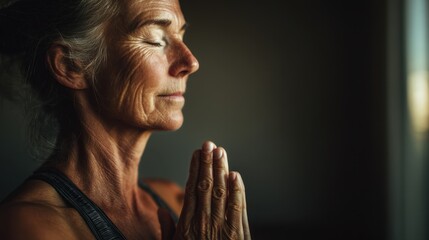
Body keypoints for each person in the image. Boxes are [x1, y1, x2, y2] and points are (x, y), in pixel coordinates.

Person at [0, 0, 251, 239]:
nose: (191, 62)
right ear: (70, 65)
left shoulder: (182, 203)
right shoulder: (25, 224)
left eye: (181, 35)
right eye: (155, 40)